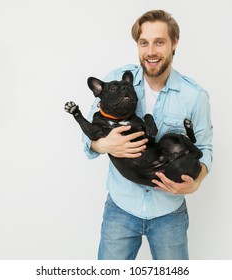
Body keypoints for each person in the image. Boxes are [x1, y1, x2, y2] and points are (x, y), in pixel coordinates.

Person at [82, 10, 213, 260]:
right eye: (144, 43)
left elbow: (205, 149)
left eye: (159, 42)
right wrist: (105, 144)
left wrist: (196, 182)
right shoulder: (115, 83)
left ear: (174, 44)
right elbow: (89, 139)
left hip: (169, 213)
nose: (151, 51)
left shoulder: (194, 95)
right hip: (120, 208)